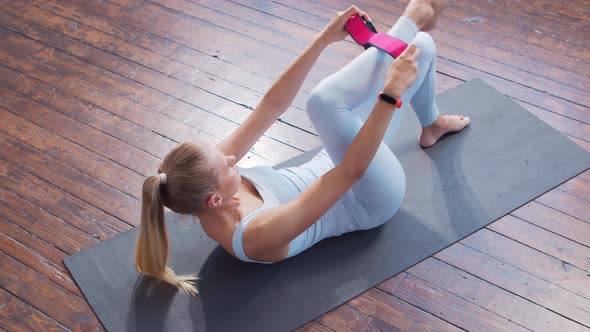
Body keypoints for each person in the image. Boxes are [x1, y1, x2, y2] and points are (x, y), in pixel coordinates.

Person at [135, 0, 470, 295]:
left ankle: (431, 122)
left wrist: (322, 40)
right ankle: (415, 15)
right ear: (215, 200)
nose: (233, 157)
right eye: (229, 166)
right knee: (327, 102)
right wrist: (390, 93)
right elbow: (349, 173)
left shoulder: (204, 178)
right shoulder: (255, 234)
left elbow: (270, 107)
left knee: (421, 45)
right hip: (368, 197)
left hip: (340, 161)